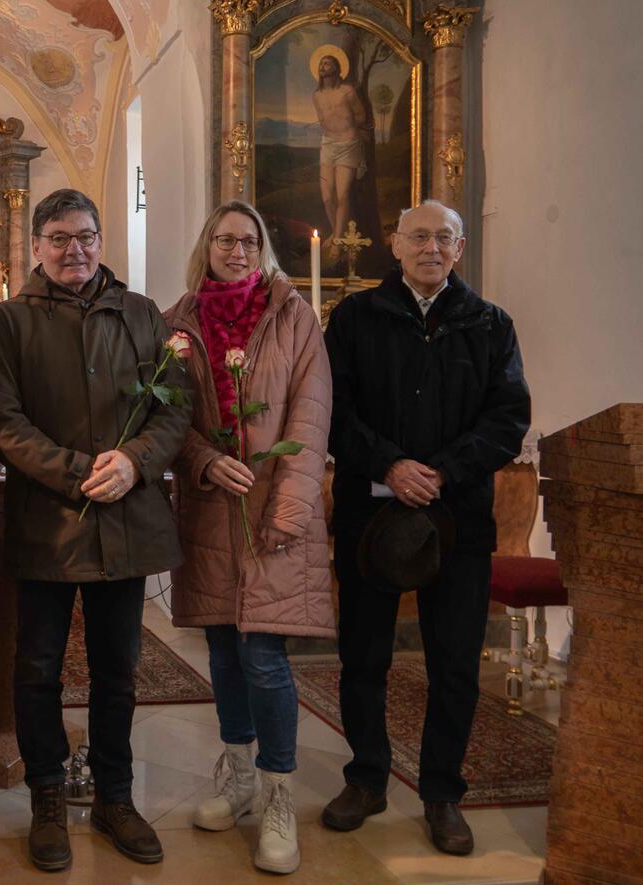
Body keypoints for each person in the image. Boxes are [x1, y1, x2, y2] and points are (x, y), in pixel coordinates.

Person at [0, 188, 190, 872]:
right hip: (48, 519)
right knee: (37, 668)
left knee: (118, 670)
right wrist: (77, 472)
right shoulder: (8, 321)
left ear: (103, 241)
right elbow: (3, 422)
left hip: (126, 517)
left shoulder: (142, 313)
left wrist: (135, 461)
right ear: (37, 246)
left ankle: (115, 794)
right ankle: (46, 794)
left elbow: (174, 407)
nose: (77, 250)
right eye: (62, 238)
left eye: (88, 237)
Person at [321, 199, 530, 855]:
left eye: (444, 237)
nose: (431, 247)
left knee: (455, 664)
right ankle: (367, 777)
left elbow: (507, 418)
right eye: (418, 236)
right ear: (395, 243)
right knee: (364, 656)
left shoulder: (491, 324)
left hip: (456, 520)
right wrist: (389, 462)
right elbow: (331, 408)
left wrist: (438, 472)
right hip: (370, 514)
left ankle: (442, 792)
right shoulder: (355, 318)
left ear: (460, 249)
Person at [164, 200, 333, 875]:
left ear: (263, 248)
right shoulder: (178, 321)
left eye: (248, 239)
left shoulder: (293, 317)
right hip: (211, 510)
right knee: (224, 653)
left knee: (263, 656)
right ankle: (236, 777)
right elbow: (168, 417)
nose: (236, 249)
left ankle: (277, 794)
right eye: (224, 239)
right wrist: (204, 459)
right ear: (206, 246)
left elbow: (311, 414)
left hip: (271, 512)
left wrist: (290, 507)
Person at [312, 52, 367, 258]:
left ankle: (337, 239)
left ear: (337, 68)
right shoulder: (316, 96)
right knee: (327, 197)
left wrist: (347, 129)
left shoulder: (348, 91)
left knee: (342, 194)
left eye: (327, 63)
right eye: (321, 63)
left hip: (347, 144)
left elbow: (360, 115)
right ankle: (337, 233)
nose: (323, 66)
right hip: (328, 144)